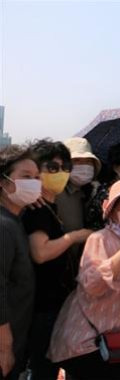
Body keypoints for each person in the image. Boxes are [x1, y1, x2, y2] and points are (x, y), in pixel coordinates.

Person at [48, 179, 120, 380]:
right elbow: (93, 285)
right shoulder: (100, 239)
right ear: (111, 211)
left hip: (110, 344)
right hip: (84, 343)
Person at [22, 140, 93, 379]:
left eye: (65, 168)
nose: (60, 174)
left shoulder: (50, 205)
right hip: (42, 305)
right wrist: (75, 236)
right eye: (52, 168)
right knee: (42, 366)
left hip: (54, 299)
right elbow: (40, 253)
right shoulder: (36, 208)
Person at [0, 145, 40, 380]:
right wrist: (4, 348)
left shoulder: (15, 220)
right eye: (26, 177)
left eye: (36, 178)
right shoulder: (3, 226)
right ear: (4, 183)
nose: (34, 183)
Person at [55, 137, 102, 285]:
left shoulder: (93, 193)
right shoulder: (54, 193)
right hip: (57, 273)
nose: (84, 166)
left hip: (82, 273)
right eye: (78, 162)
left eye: (88, 162)